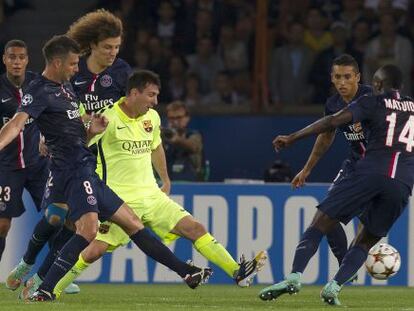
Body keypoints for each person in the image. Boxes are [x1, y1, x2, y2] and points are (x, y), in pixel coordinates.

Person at [0, 34, 212, 302]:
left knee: (132, 222)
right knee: (84, 230)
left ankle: (186, 272)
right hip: (72, 172)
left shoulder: (66, 89)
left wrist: (91, 130)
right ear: (56, 62)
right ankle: (43, 285)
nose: (78, 69)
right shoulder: (39, 90)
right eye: (74, 64)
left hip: (87, 168)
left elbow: (74, 134)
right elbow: (16, 124)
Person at [48, 70, 266, 298]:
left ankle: (237, 272)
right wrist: (90, 132)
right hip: (119, 202)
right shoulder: (108, 117)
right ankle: (52, 288)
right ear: (134, 93)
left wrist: (165, 178)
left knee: (195, 228)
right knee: (93, 251)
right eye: (151, 95)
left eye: (156, 95)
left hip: (152, 196)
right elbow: (81, 145)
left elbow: (156, 147)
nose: (155, 101)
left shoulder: (152, 117)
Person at [259, 64, 414, 306]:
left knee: (319, 223)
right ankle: (334, 286)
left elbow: (332, 122)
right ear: (402, 86)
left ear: (376, 85)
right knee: (365, 241)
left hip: (369, 172)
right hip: (403, 183)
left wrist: (292, 137)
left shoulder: (372, 101)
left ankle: (294, 277)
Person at [7, 9, 132, 294]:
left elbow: (129, 112)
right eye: (107, 47)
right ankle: (29, 265)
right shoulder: (69, 73)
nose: (112, 53)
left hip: (100, 156)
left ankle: (43, 279)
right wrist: (44, 134)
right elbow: (50, 112)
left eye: (117, 47)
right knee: (56, 217)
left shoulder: (122, 72)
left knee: (78, 226)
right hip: (67, 157)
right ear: (92, 46)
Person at [291, 54, 372, 270]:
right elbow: (326, 135)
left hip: (377, 168)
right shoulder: (333, 103)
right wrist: (307, 169)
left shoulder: (372, 97)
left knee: (362, 225)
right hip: (354, 165)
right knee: (327, 213)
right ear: (331, 78)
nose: (343, 82)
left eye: (347, 77)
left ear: (358, 77)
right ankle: (345, 265)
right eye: (338, 77)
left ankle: (349, 266)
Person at [0, 40, 49, 265]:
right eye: (12, 57)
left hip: (38, 164)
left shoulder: (37, 84)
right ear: (5, 60)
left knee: (57, 216)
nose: (16, 62)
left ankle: (52, 274)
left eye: (21, 57)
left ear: (27, 60)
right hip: (7, 166)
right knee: (2, 224)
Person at [163, 101, 204, 181]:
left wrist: (177, 139)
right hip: (168, 184)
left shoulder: (194, 135)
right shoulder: (162, 138)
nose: (175, 121)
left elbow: (193, 146)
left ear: (187, 118)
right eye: (171, 118)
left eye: (179, 117)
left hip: (192, 186)